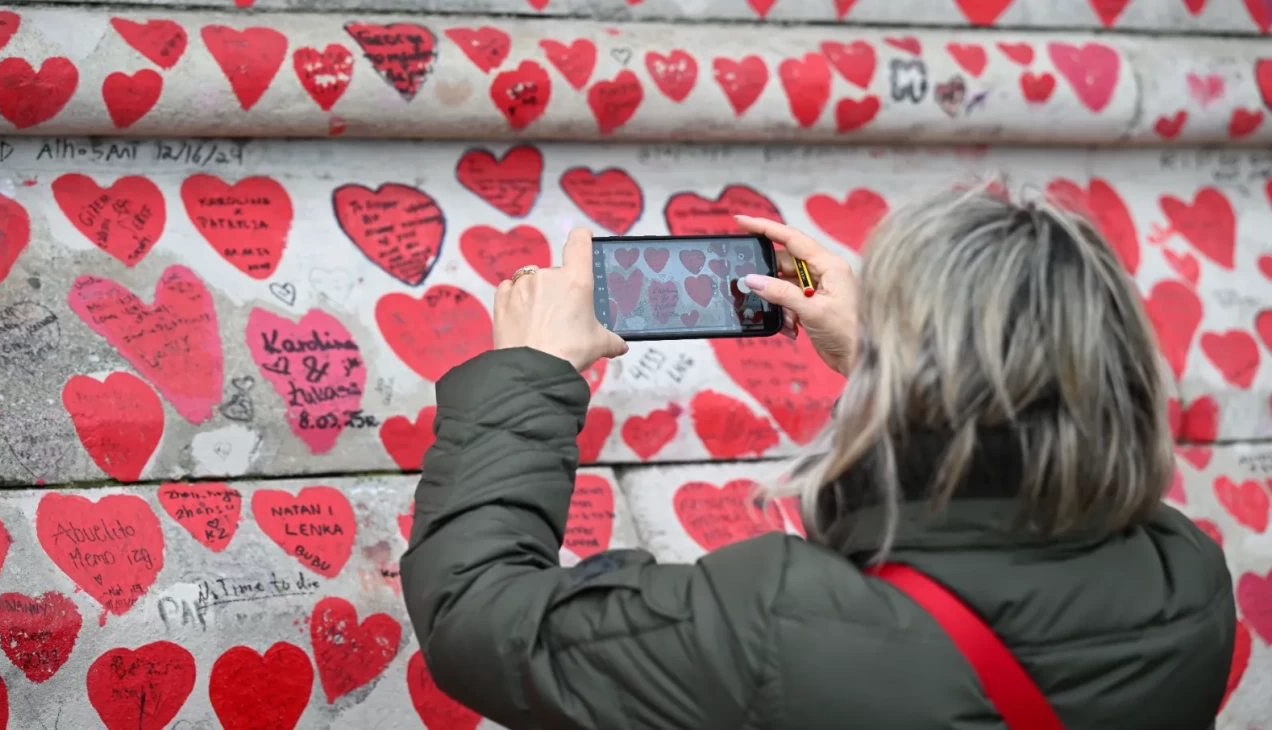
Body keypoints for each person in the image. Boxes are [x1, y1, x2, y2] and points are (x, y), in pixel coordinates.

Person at [400, 182, 1236, 730]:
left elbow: (477, 619)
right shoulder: (1187, 577)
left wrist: (532, 372)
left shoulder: (779, 622)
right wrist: (889, 366)